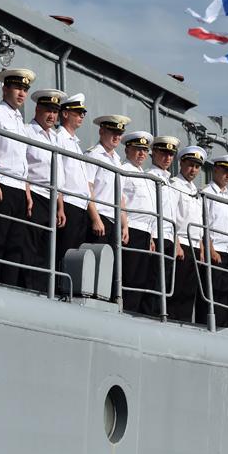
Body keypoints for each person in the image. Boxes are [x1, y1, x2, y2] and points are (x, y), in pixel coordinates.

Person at [0, 68, 35, 286]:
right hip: (2, 184)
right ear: (5, 89)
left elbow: (22, 160)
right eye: (17, 88)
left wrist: (27, 192)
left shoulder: (20, 120)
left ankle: (8, 287)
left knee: (14, 244)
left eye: (24, 89)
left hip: (19, 189)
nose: (21, 93)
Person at [24, 89, 69, 292]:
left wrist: (60, 207)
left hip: (52, 198)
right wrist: (27, 194)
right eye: (48, 110)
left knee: (46, 248)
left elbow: (58, 175)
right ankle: (28, 287)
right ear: (37, 109)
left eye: (55, 111)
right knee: (30, 245)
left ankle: (42, 290)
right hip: (35, 193)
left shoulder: (55, 138)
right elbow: (23, 165)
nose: (52, 116)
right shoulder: (27, 131)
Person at [86, 114, 131, 299]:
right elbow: (87, 188)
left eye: (119, 133)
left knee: (111, 267)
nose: (116, 137)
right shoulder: (93, 155)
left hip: (114, 221)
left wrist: (125, 224)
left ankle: (107, 300)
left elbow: (120, 197)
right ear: (102, 131)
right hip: (100, 217)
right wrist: (95, 218)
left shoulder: (117, 161)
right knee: (95, 263)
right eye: (113, 132)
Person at [143, 136, 181, 317]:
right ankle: (148, 315)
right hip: (156, 235)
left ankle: (158, 314)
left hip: (168, 237)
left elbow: (172, 215)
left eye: (171, 154)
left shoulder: (169, 181)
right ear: (154, 153)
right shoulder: (149, 177)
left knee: (164, 282)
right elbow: (149, 208)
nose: (167, 158)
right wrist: (150, 235)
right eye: (164, 153)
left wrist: (176, 241)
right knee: (153, 280)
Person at [120, 131, 157, 313]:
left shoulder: (145, 175)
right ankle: (126, 309)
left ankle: (134, 310)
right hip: (132, 229)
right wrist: (124, 225)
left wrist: (150, 236)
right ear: (127, 150)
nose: (142, 153)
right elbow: (120, 199)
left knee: (141, 278)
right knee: (130, 274)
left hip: (145, 232)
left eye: (144, 150)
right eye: (137, 149)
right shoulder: (124, 170)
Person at [200, 154, 228, 328]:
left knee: (223, 298)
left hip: (227, 253)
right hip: (214, 251)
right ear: (215, 170)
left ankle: (220, 328)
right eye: (225, 171)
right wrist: (211, 250)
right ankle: (205, 328)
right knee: (210, 296)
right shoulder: (207, 193)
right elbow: (204, 224)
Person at [170, 145, 206, 322]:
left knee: (189, 292)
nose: (193, 170)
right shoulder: (174, 185)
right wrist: (176, 243)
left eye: (197, 166)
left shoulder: (195, 191)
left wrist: (202, 248)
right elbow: (171, 216)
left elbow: (198, 223)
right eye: (190, 165)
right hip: (181, 244)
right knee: (177, 289)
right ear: (181, 163)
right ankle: (172, 322)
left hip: (194, 246)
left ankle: (183, 324)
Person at [55, 93, 91, 252]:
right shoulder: (59, 138)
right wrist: (60, 206)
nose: (81, 116)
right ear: (65, 113)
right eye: (78, 112)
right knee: (64, 251)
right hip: (68, 203)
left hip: (81, 206)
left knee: (75, 256)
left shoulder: (75, 143)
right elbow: (58, 174)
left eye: (83, 113)